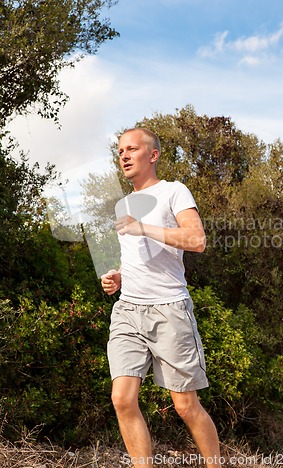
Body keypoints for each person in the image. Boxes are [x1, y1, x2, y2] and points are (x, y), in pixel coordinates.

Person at [101, 128, 221, 467]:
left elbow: (197, 240)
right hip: (128, 310)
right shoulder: (122, 205)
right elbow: (137, 255)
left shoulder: (173, 191)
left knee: (185, 405)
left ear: (152, 155)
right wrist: (118, 276)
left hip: (169, 309)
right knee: (122, 399)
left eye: (132, 149)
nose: (123, 155)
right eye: (120, 150)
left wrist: (144, 227)